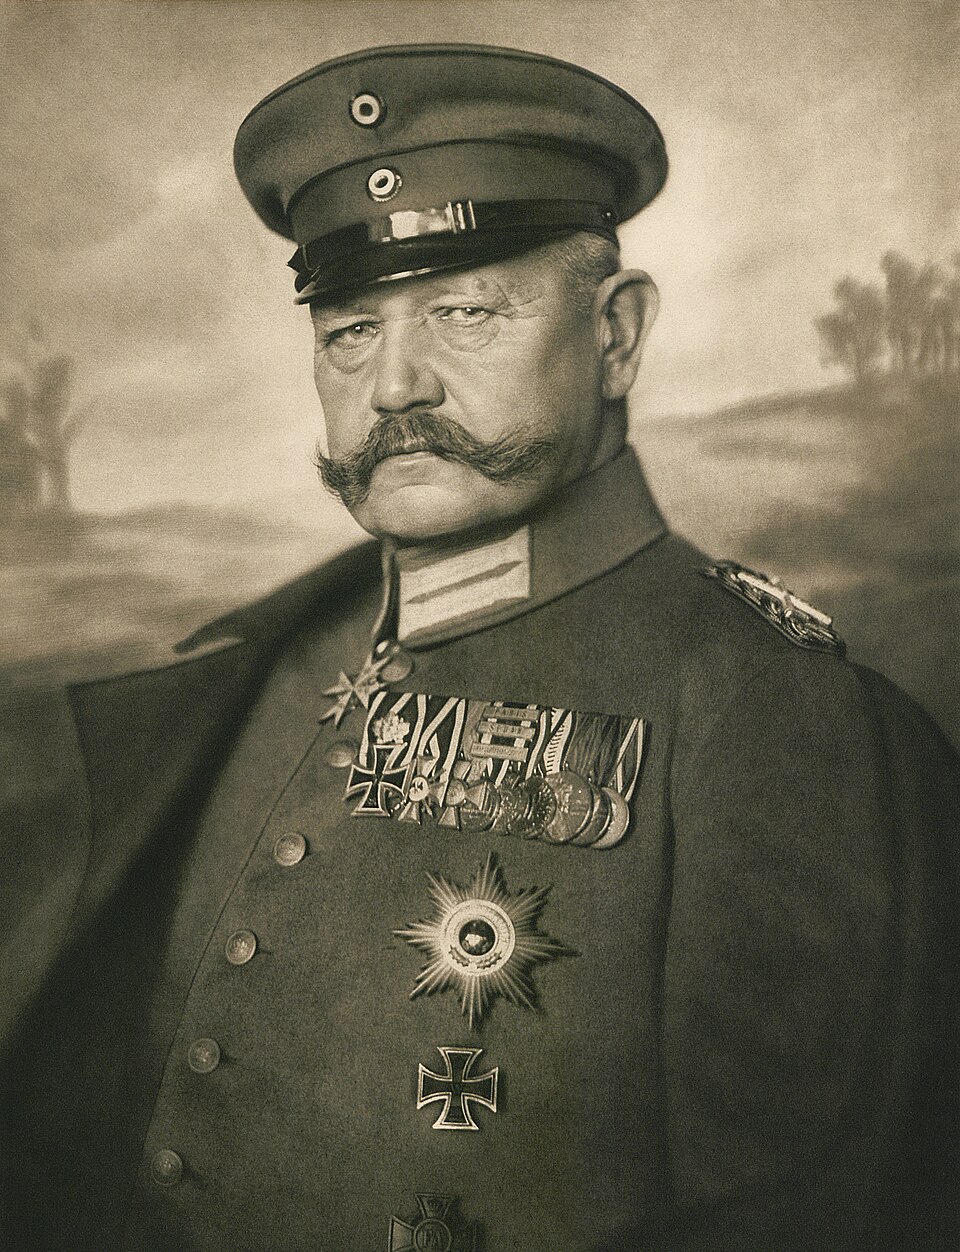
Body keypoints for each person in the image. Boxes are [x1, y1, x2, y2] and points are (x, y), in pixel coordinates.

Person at [1, 42, 957, 1252]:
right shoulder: (264, 660)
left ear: (616, 335)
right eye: (349, 329)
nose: (394, 385)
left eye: (464, 313)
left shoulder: (781, 718)